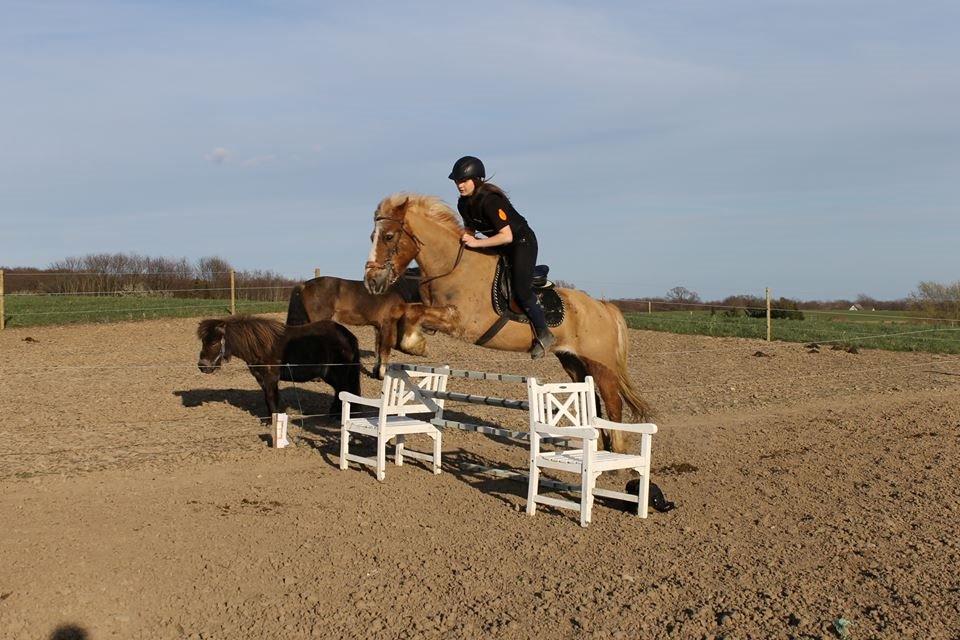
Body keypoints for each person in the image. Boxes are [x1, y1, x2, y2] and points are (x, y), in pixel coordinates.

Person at [448, 155, 556, 359]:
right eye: (457, 182)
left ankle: (544, 333)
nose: (459, 185)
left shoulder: (490, 200)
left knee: (521, 290)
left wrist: (477, 243)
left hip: (521, 243)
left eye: (463, 180)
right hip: (500, 243)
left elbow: (507, 236)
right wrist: (466, 238)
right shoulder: (463, 203)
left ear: (476, 180)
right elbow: (470, 229)